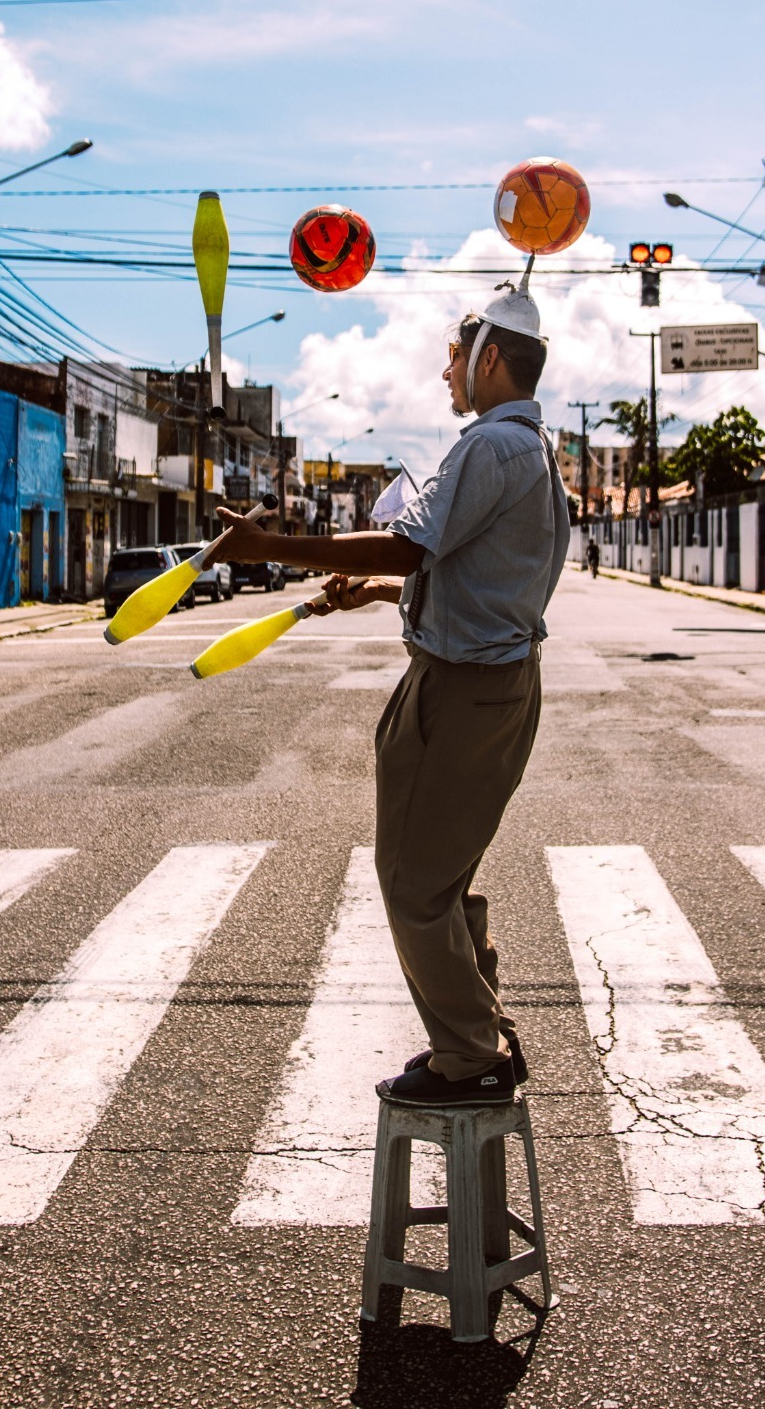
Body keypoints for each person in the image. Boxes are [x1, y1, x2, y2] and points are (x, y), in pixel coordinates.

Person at [211, 267, 569, 1108]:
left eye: (454, 357)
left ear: (488, 360)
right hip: (476, 680)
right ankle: (481, 1031)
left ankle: (470, 1054)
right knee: (438, 878)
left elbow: (410, 547)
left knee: (414, 886)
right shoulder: (525, 448)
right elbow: (467, 569)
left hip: (467, 690)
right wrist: (376, 592)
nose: (445, 373)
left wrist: (274, 548)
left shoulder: (493, 444)